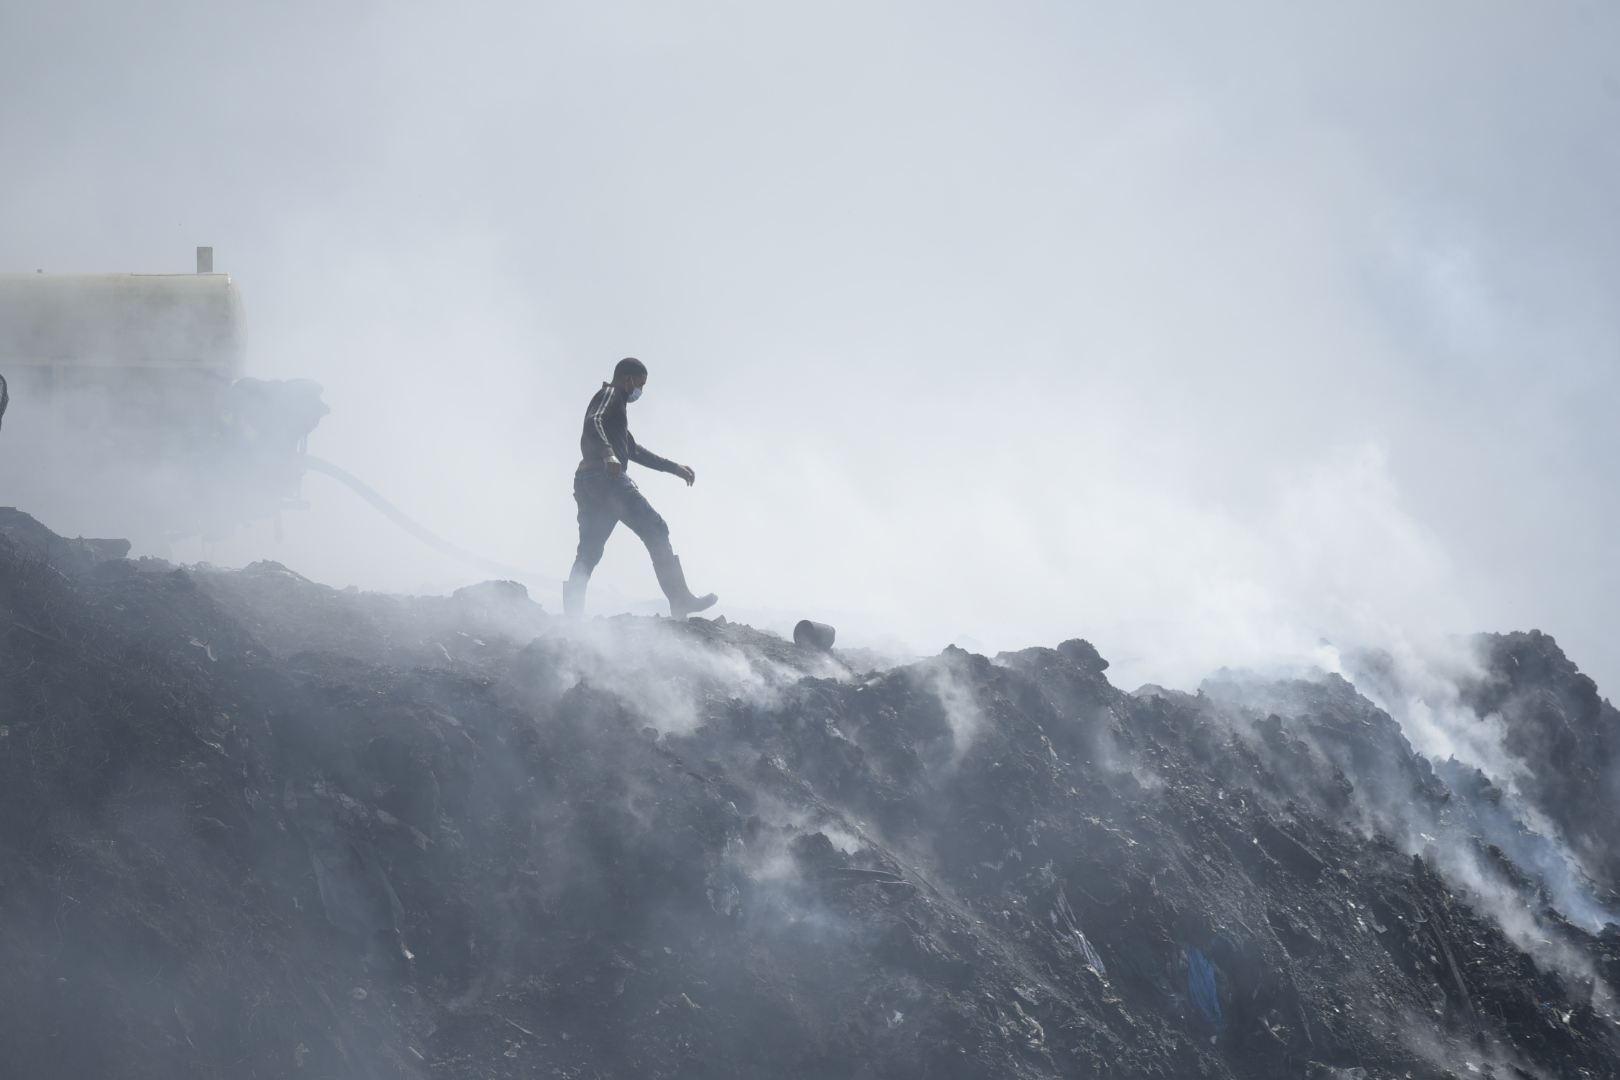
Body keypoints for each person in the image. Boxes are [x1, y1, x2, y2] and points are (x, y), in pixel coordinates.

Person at [564, 357, 717, 619]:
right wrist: (608, 454)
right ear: (628, 380)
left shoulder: (618, 412)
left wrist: (673, 467)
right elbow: (593, 421)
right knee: (656, 528)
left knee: (589, 551)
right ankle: (680, 600)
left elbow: (633, 449)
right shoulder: (610, 394)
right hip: (606, 479)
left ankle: (572, 618)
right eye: (640, 385)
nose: (640, 392)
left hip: (587, 482)